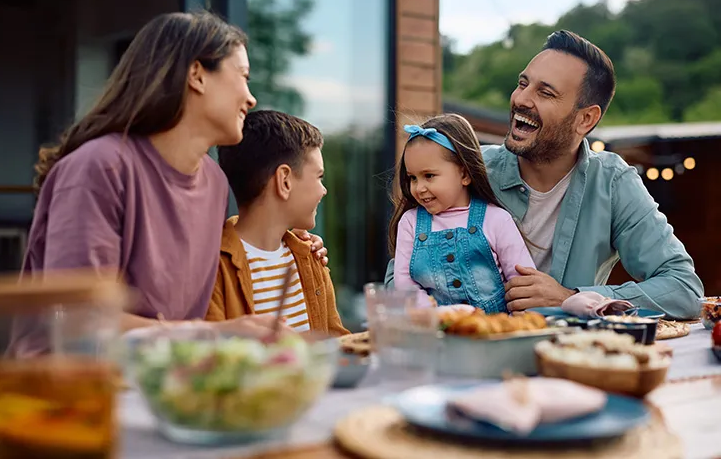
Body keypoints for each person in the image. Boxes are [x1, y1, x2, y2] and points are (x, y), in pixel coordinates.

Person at [8, 11, 329, 356]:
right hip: (69, 396)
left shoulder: (213, 184)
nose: (251, 99)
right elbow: (80, 326)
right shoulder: (97, 169)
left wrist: (289, 242)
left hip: (164, 390)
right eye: (243, 76)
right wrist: (215, 335)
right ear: (197, 75)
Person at [386, 30, 703, 320]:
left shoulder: (613, 182)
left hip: (569, 361)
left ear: (585, 119)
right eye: (523, 83)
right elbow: (399, 278)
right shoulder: (469, 169)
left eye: (545, 93)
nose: (521, 99)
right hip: (469, 349)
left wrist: (569, 297)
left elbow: (684, 290)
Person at [207, 111, 349, 335]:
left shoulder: (310, 258)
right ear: (285, 181)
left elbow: (337, 344)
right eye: (319, 177)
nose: (324, 190)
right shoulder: (213, 268)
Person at [389, 115, 535, 312]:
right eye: (412, 178)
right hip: (436, 331)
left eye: (429, 176)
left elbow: (522, 282)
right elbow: (405, 282)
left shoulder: (497, 220)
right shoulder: (410, 222)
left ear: (464, 174)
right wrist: (431, 315)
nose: (419, 188)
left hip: (492, 333)